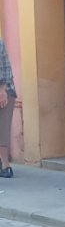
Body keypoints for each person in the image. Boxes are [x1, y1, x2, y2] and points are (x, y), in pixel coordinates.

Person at [0, 35, 16, 179]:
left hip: (3, 91)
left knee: (2, 128)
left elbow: (4, 66)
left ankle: (5, 165)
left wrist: (2, 90)